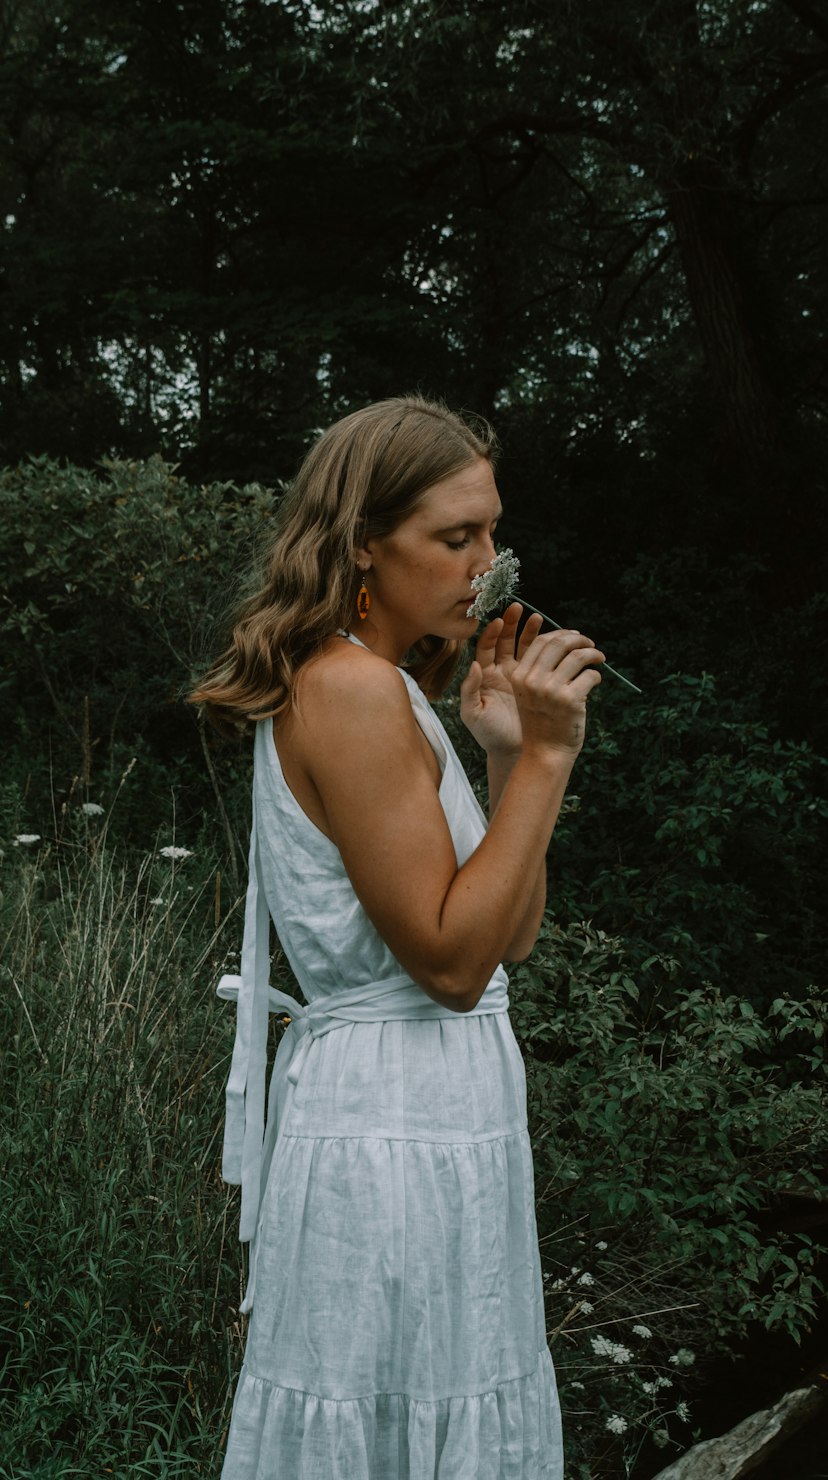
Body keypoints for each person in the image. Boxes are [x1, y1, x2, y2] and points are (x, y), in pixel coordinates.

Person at [191, 394, 604, 1479]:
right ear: (364, 542)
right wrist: (557, 758)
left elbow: (509, 935)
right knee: (381, 1418)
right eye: (453, 536)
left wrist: (511, 755)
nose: (486, 562)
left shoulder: (391, 690)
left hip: (442, 1109)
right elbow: (451, 963)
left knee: (436, 1403)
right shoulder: (353, 690)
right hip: (389, 1117)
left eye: (491, 532)